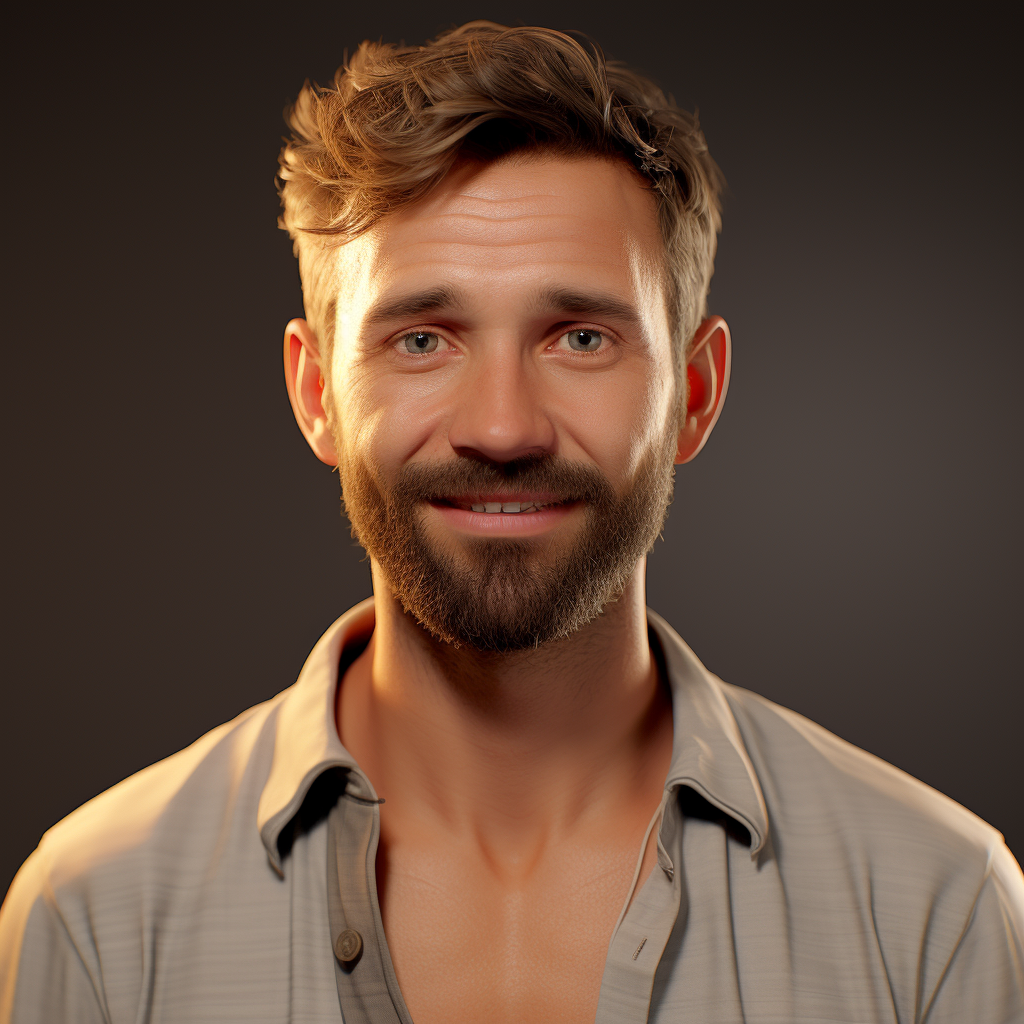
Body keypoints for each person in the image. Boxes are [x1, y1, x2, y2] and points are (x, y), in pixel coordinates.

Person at [1, 20, 1021, 1024]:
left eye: (579, 336)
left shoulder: (941, 911)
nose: (501, 426)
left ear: (695, 394)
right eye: (421, 340)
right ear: (315, 392)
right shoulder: (97, 916)